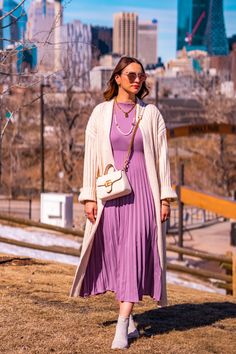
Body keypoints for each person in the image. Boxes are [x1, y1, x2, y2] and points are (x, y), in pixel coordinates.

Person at [70, 56, 177, 349]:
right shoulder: (100, 113)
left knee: (133, 254)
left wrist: (165, 197)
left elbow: (163, 158)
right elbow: (90, 156)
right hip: (111, 196)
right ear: (117, 77)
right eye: (131, 74)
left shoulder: (152, 114)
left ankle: (121, 326)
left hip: (144, 193)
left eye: (141, 76)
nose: (137, 79)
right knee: (117, 255)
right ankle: (129, 319)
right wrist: (88, 197)